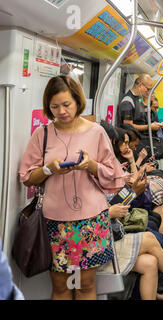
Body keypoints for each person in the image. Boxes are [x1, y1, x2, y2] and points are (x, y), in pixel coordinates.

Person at [19, 75, 125, 300]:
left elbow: (114, 175)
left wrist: (91, 166)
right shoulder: (43, 134)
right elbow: (27, 177)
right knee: (60, 286)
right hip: (55, 221)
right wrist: (49, 169)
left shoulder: (96, 132)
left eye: (66, 104)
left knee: (86, 285)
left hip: (90, 220)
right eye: (54, 106)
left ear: (77, 101)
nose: (61, 111)